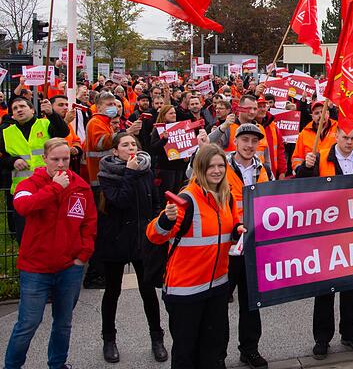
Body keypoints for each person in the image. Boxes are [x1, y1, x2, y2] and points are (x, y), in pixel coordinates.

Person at [146, 143, 243, 368]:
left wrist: (237, 230)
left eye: (221, 166)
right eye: (211, 166)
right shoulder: (187, 199)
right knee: (186, 352)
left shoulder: (227, 197)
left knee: (215, 347)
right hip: (186, 291)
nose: (217, 171)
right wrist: (165, 220)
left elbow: (229, 227)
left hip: (218, 287)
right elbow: (154, 235)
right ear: (200, 168)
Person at [4, 138, 97, 369]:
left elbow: (89, 223)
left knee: (63, 323)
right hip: (36, 268)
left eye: (65, 159)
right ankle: (12, 365)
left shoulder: (81, 186)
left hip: (69, 267)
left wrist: (82, 256)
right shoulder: (30, 183)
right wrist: (55, 188)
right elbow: (24, 207)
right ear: (45, 159)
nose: (61, 164)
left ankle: (58, 364)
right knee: (28, 323)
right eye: (55, 159)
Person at [296, 126, 353, 360]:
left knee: (352, 284)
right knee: (325, 288)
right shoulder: (319, 158)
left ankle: (350, 333)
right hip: (325, 231)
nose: (349, 142)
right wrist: (305, 168)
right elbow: (301, 185)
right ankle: (322, 338)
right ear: (336, 136)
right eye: (345, 137)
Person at [93, 132, 167, 363]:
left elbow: (154, 200)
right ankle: (109, 339)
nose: (131, 147)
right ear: (115, 151)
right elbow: (120, 201)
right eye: (125, 145)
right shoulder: (107, 174)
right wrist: (130, 173)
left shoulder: (145, 169)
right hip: (115, 240)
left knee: (148, 292)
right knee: (112, 291)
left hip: (141, 239)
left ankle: (157, 338)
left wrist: (155, 224)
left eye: (133, 143)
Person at [218, 123, 271, 368]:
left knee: (251, 304)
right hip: (227, 247)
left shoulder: (264, 169)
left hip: (253, 246)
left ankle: (249, 349)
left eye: (254, 141)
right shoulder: (221, 167)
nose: (250, 145)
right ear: (236, 141)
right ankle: (216, 353)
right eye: (245, 140)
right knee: (218, 305)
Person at [0, 97, 71, 243]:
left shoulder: (45, 124)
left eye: (22, 106)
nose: (19, 110)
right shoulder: (6, 133)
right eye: (15, 108)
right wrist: (13, 161)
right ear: (12, 115)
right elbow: (2, 159)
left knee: (50, 233)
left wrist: (51, 114)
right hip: (22, 191)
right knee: (26, 235)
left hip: (50, 186)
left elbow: (62, 132)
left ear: (32, 110)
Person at [149, 105, 188, 210]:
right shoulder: (158, 129)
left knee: (177, 194)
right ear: (164, 115)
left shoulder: (179, 127)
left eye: (174, 112)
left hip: (179, 167)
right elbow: (153, 149)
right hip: (165, 168)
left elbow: (183, 145)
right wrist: (164, 139)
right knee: (167, 197)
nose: (174, 115)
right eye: (171, 113)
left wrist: (186, 155)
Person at [291, 101, 337, 172]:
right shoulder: (304, 133)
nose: (320, 115)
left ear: (328, 113)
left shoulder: (338, 128)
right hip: (313, 177)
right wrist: (301, 169)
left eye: (323, 112)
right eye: (316, 113)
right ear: (312, 116)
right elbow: (297, 158)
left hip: (334, 174)